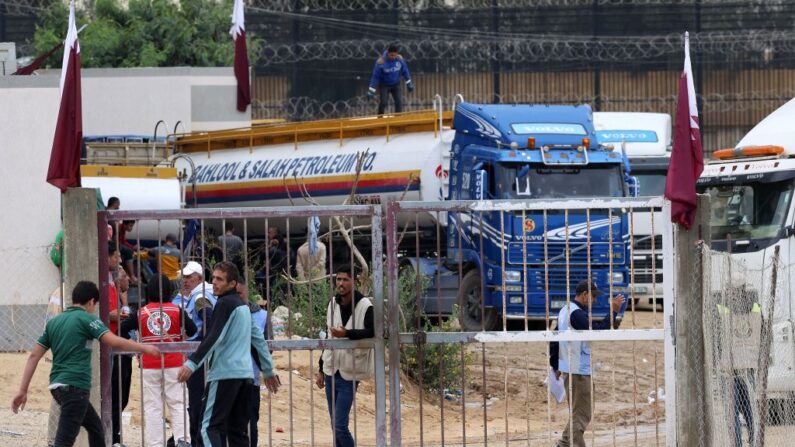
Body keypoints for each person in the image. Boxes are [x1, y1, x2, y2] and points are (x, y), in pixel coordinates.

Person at [11, 281, 160, 447]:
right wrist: (143, 347)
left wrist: (23, 390)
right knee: (63, 442)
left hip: (57, 386)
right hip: (75, 387)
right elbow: (113, 341)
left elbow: (33, 356)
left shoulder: (54, 322)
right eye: (94, 305)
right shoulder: (87, 319)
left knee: (95, 429)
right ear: (91, 302)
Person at [177, 261, 281, 447]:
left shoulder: (224, 304)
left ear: (232, 284)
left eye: (220, 279)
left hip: (224, 374)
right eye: (214, 278)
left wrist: (192, 363)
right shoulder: (242, 306)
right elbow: (257, 339)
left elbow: (213, 336)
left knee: (208, 428)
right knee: (237, 432)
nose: (214, 282)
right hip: (245, 376)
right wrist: (267, 369)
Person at [120, 275, 196, 447]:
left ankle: (155, 444)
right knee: (178, 403)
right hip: (175, 364)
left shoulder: (141, 312)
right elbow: (192, 330)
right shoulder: (177, 310)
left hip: (150, 364)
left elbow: (122, 329)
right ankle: (182, 440)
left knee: (153, 407)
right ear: (169, 291)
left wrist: (136, 346)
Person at [549, 280, 625, 447]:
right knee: (582, 414)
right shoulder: (576, 314)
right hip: (578, 371)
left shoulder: (565, 310)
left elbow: (554, 340)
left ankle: (563, 443)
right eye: (593, 296)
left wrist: (556, 365)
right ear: (584, 295)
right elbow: (598, 331)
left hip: (572, 368)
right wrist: (612, 312)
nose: (595, 300)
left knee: (579, 412)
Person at [315, 264, 375, 447]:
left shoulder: (365, 305)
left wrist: (347, 333)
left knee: (340, 425)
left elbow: (372, 332)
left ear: (354, 281)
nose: (341, 283)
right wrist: (320, 369)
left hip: (350, 371)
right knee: (336, 425)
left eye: (345, 279)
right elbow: (327, 338)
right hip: (331, 369)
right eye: (338, 279)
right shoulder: (332, 304)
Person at [172, 261, 217, 446]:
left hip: (199, 356)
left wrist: (203, 341)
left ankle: (197, 440)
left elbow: (207, 318)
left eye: (189, 277)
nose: (185, 280)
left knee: (197, 402)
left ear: (199, 277)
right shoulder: (197, 294)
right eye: (183, 277)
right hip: (200, 355)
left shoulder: (200, 296)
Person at [236, 281, 268, 447]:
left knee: (251, 423)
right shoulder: (226, 311)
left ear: (247, 291)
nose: (237, 298)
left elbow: (268, 347)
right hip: (228, 377)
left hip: (251, 378)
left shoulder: (262, 315)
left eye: (240, 294)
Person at [109, 245, 133, 447]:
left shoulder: (119, 297)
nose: (129, 279)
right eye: (124, 276)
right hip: (116, 352)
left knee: (122, 396)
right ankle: (113, 438)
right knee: (117, 396)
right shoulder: (110, 294)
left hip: (124, 352)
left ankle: (114, 435)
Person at [368, 44, 413, 115]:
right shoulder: (381, 62)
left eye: (395, 55)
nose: (393, 57)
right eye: (391, 55)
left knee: (399, 101)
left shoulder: (399, 59)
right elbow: (375, 77)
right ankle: (380, 117)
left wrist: (409, 82)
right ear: (388, 53)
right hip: (384, 85)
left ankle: (397, 118)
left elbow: (405, 71)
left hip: (396, 84)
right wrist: (371, 90)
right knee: (384, 102)